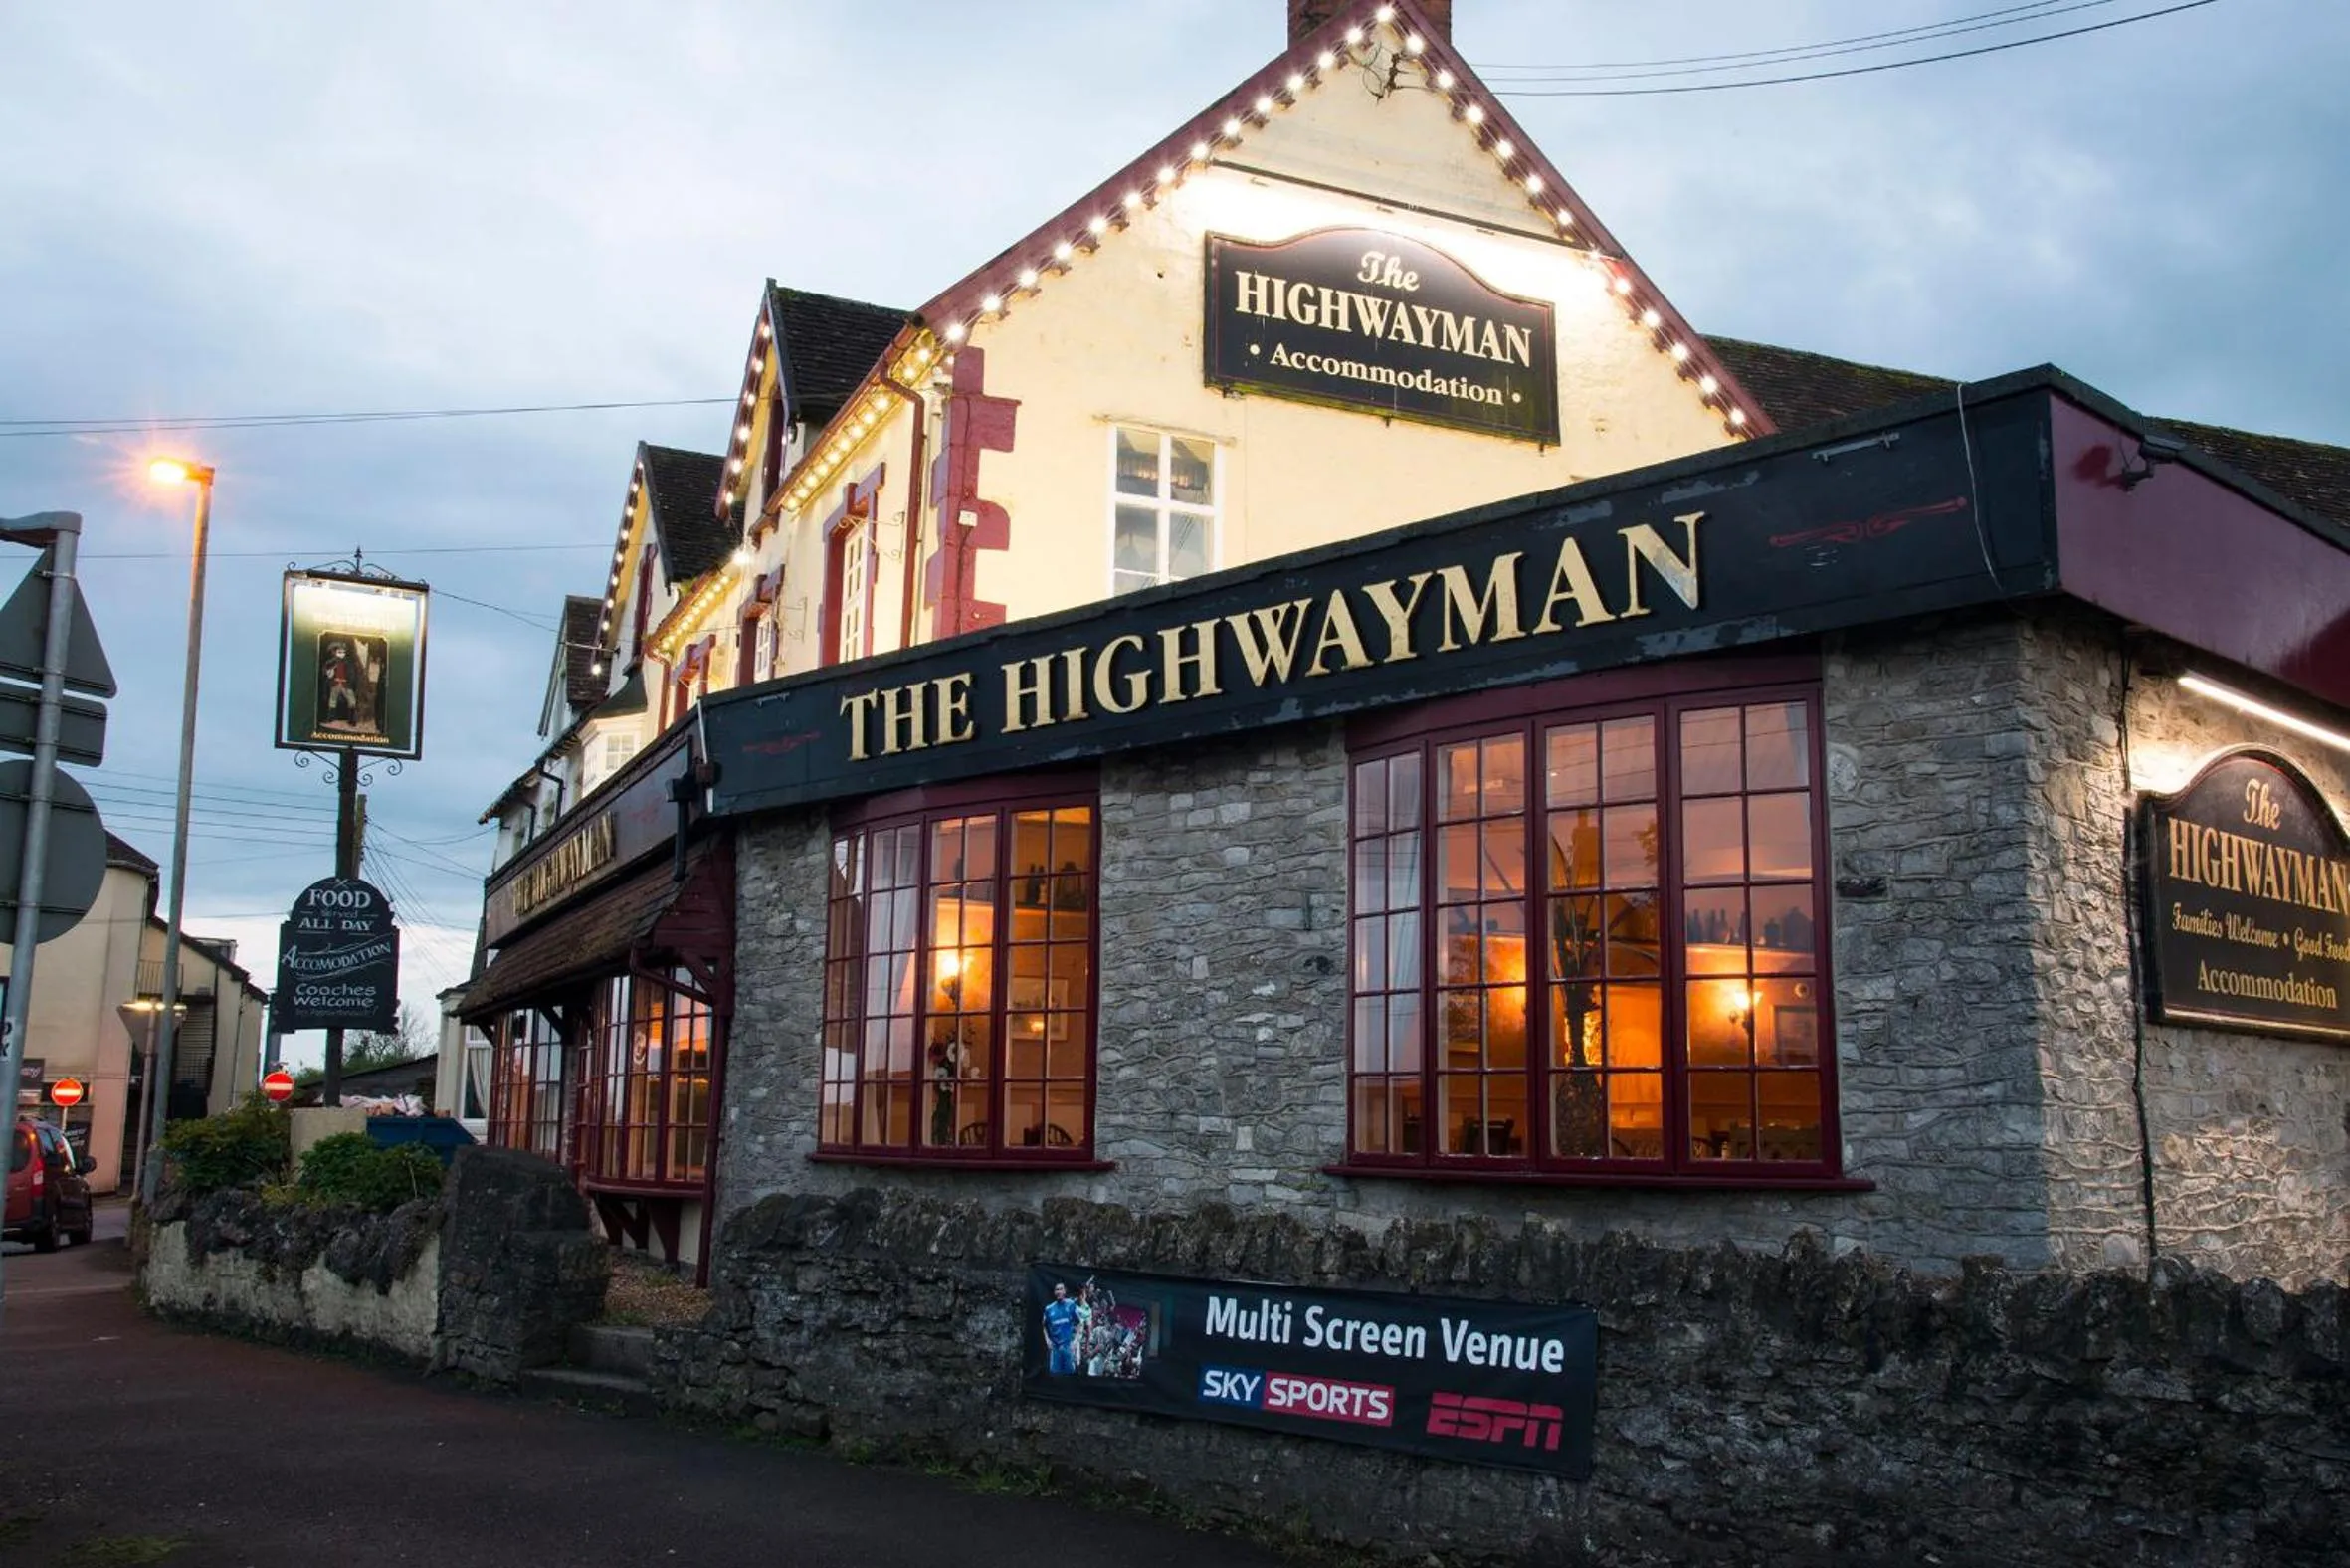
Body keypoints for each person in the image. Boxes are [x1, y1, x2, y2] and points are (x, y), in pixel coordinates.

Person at [1041, 1281, 1081, 1375]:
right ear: (1054, 1293)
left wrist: (1075, 1341)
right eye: (1056, 1290)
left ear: (1064, 1292)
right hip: (1055, 1349)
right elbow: (1043, 1325)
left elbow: (1079, 1324)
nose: (1058, 1292)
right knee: (1055, 1376)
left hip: (1068, 1347)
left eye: (1060, 1289)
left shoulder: (1071, 1305)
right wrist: (1047, 1340)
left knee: (1069, 1376)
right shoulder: (1049, 1309)